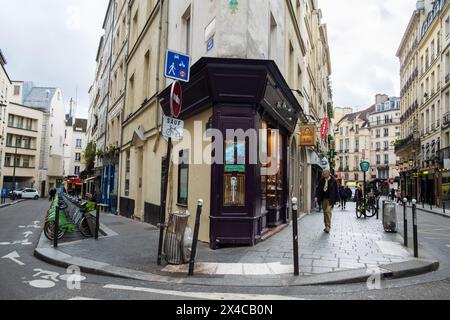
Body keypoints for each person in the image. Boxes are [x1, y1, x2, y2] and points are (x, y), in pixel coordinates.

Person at [315, 169, 339, 234]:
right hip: (323, 199)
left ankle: (328, 226)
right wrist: (316, 196)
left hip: (330, 199)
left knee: (328, 211)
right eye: (323, 173)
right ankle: (326, 226)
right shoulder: (321, 180)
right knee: (325, 213)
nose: (323, 174)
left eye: (325, 173)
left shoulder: (333, 180)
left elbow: (336, 190)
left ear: (328, 173)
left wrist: (337, 199)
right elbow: (318, 189)